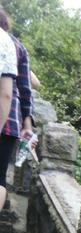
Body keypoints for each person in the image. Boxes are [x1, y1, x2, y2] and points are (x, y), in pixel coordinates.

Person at [0, 8, 34, 209]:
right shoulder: (17, 46)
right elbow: (25, 89)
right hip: (10, 122)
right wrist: (27, 124)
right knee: (0, 175)